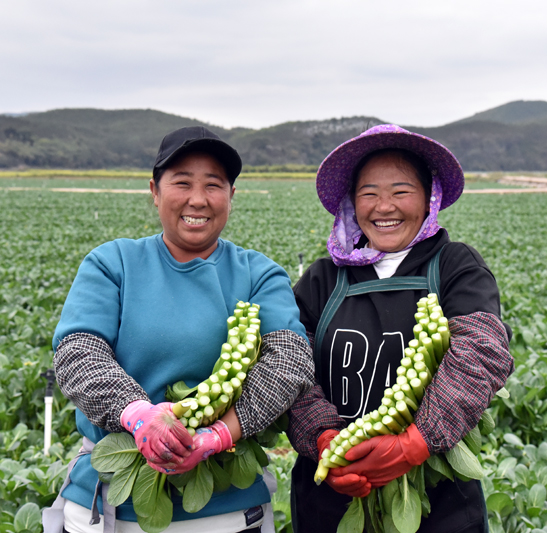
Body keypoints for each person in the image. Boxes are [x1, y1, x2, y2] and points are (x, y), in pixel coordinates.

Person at [43, 126, 314, 533]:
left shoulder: (259, 273)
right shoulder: (112, 263)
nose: (198, 199)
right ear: (154, 190)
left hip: (228, 514)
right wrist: (138, 417)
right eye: (182, 182)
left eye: (213, 185)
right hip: (108, 510)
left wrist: (219, 434)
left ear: (231, 196)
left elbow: (288, 362)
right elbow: (79, 351)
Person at [286, 124, 514, 532]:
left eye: (401, 191)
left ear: (429, 199)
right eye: (369, 193)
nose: (384, 206)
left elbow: (482, 349)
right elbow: (290, 366)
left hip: (437, 504)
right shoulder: (322, 278)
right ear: (352, 204)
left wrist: (414, 444)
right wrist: (324, 440)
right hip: (330, 498)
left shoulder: (454, 265)